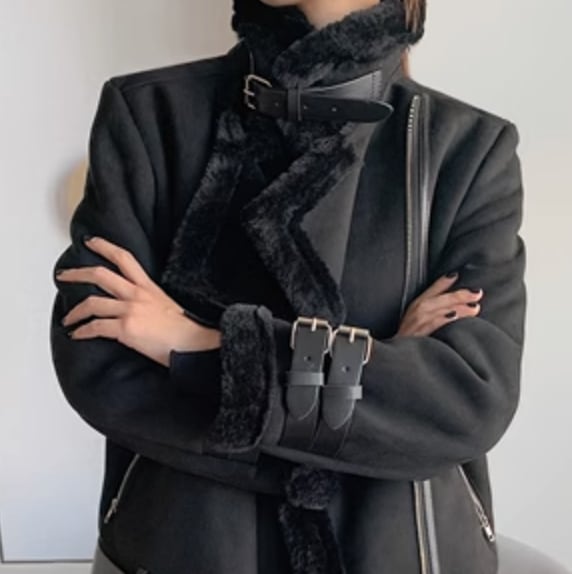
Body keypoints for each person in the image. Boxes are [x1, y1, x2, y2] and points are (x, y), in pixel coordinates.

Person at [49, 0, 527, 573]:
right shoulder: (150, 114)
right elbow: (100, 365)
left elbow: (465, 403)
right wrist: (379, 392)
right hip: (188, 548)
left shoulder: (470, 150)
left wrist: (196, 345)